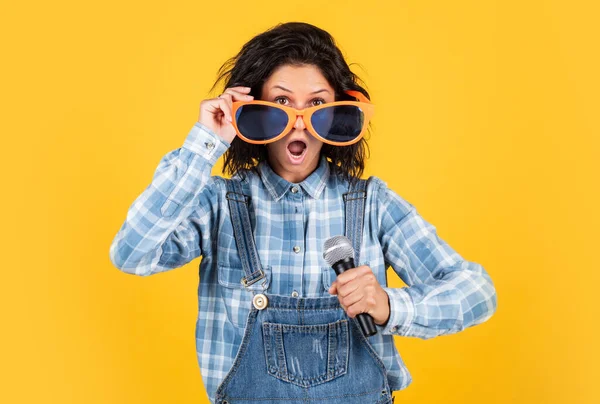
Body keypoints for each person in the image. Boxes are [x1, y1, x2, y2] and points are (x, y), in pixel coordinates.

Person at [109, 22, 497, 404]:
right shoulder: (219, 205)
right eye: (281, 102)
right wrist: (206, 141)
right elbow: (131, 254)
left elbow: (477, 292)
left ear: (337, 115)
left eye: (316, 104)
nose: (299, 121)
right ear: (254, 112)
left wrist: (389, 305)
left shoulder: (373, 204)